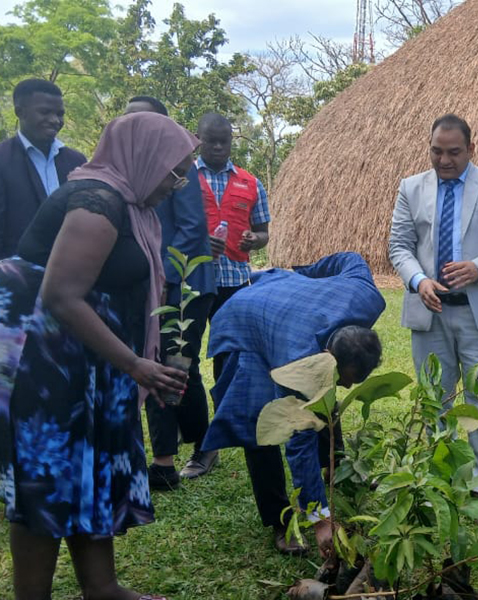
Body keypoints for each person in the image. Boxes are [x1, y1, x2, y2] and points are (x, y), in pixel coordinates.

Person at [0, 112, 197, 600]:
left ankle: (102, 587)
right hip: (49, 364)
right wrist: (134, 364)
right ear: (143, 157)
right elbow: (62, 296)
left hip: (89, 359)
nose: (176, 184)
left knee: (88, 467)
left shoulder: (129, 204)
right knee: (48, 478)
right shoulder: (98, 201)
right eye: (174, 172)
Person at [202, 252, 384, 555]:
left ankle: (337, 471)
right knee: (259, 426)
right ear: (326, 354)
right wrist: (319, 519)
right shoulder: (297, 361)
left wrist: (305, 274)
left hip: (286, 298)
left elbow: (349, 258)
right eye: (345, 379)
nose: (348, 387)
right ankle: (280, 521)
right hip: (246, 319)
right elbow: (299, 444)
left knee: (323, 394)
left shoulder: (366, 296)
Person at [388, 114, 478, 499]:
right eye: (436, 151)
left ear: (471, 149)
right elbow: (399, 245)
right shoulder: (411, 187)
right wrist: (419, 280)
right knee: (434, 397)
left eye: (453, 152)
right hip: (429, 312)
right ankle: (440, 476)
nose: (444, 160)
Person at [122, 96, 219, 491]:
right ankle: (176, 453)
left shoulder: (181, 165)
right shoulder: (128, 167)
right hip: (149, 283)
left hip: (185, 284)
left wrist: (163, 277)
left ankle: (193, 448)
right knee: (161, 363)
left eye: (141, 119)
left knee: (174, 364)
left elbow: (193, 228)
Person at [194, 111, 271, 475]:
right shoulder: (183, 179)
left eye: (223, 141)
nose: (217, 147)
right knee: (185, 360)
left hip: (235, 283)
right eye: (210, 141)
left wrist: (256, 239)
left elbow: (264, 232)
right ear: (198, 139)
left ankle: (223, 434)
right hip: (192, 280)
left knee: (228, 362)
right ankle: (201, 443)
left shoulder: (250, 182)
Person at [0, 78, 86, 258]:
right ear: (20, 112)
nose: (55, 120)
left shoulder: (76, 161)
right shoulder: (3, 158)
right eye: (45, 112)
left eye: (60, 114)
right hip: (14, 269)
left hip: (70, 266)